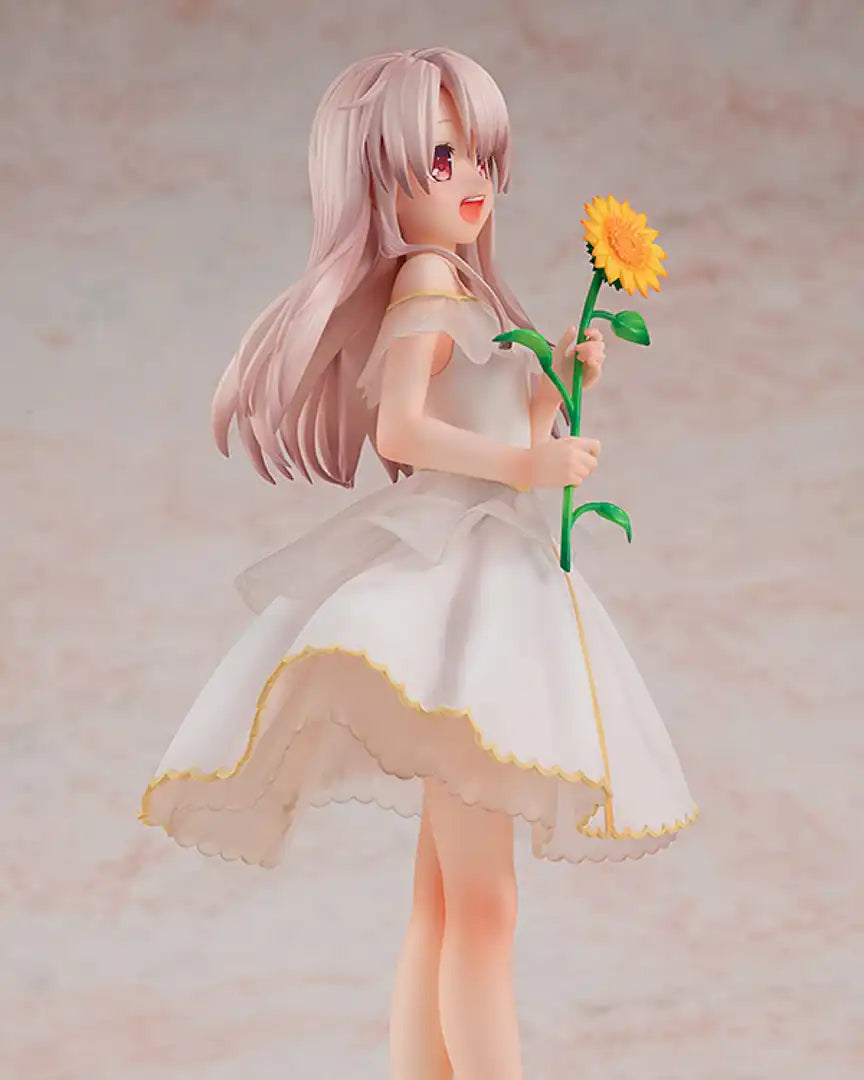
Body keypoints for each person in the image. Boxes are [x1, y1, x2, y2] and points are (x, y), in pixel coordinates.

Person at [138, 47, 699, 1080]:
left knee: (443, 900)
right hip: (466, 587)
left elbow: (479, 410)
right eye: (441, 159)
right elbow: (403, 429)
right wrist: (527, 460)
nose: (472, 179)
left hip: (488, 576)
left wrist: (558, 379)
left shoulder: (463, 286)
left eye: (480, 155)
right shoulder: (430, 278)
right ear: (376, 176)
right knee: (485, 906)